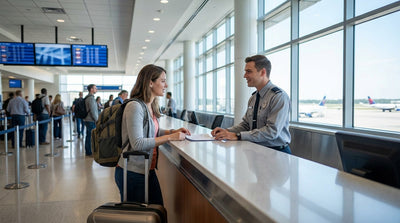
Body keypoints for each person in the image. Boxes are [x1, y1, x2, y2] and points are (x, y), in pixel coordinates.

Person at [114, 64, 191, 204]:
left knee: (158, 211)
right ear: (150, 82)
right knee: (138, 217)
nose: (166, 85)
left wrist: (172, 132)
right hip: (131, 172)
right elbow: (137, 143)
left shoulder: (149, 105)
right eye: (162, 81)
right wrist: (169, 137)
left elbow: (151, 132)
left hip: (147, 170)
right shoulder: (135, 106)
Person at [211, 55, 292, 154]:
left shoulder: (278, 96)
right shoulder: (253, 98)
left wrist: (238, 136)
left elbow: (271, 131)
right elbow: (246, 125)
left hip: (277, 152)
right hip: (256, 150)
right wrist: (227, 131)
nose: (244, 76)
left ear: (262, 72)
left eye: (248, 71)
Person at [83, 84, 98, 156]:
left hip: (88, 119)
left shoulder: (87, 97)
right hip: (91, 120)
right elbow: (93, 111)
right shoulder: (91, 98)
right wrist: (97, 120)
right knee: (90, 137)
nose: (96, 89)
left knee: (88, 136)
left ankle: (88, 151)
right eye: (95, 88)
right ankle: (89, 152)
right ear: (91, 89)